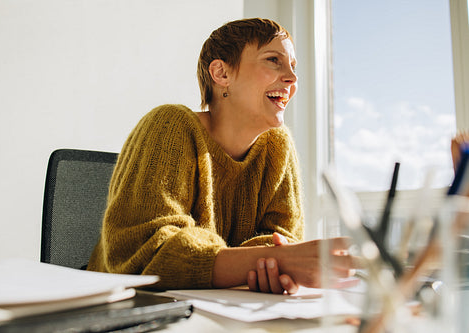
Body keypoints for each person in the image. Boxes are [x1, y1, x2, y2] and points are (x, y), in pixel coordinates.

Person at [87, 18, 355, 294]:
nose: (292, 78)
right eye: (274, 60)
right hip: (119, 308)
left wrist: (269, 263)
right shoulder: (168, 125)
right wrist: (269, 261)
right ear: (222, 74)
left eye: (293, 67)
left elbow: (282, 242)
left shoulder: (278, 146)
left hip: (220, 310)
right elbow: (146, 254)